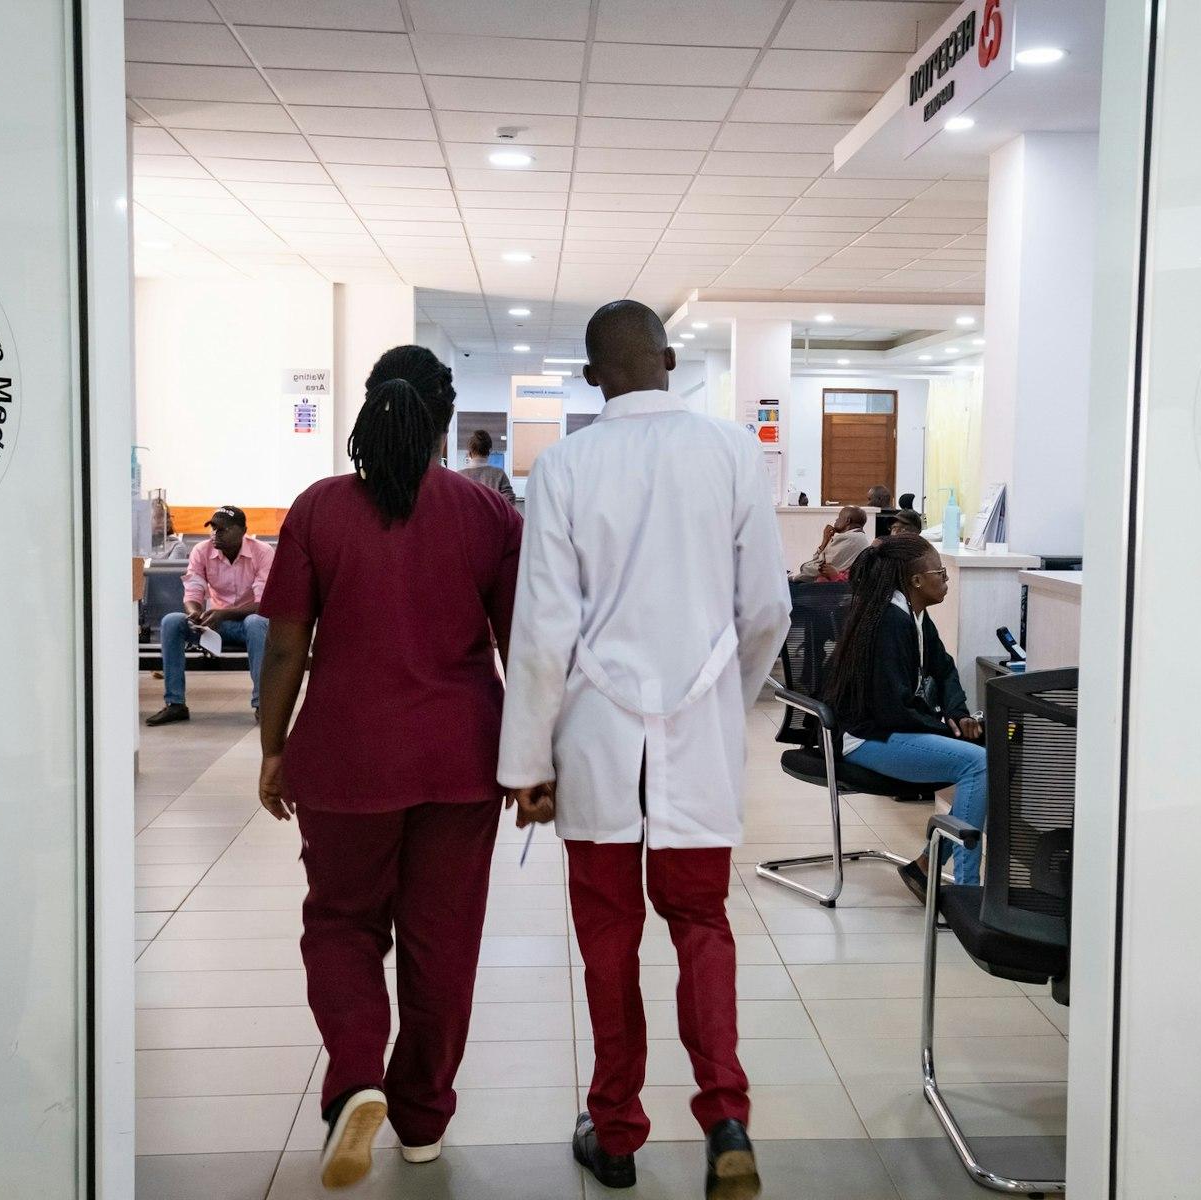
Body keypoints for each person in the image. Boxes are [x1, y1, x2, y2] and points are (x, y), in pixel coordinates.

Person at [499, 300, 790, 1200]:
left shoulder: (566, 466)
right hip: (696, 740)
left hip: (595, 743)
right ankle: (727, 1117)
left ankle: (617, 1130)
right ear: (669, 359)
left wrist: (528, 763)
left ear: (593, 378)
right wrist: (722, 703)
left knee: (607, 939)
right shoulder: (735, 452)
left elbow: (544, 629)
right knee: (703, 926)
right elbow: (767, 611)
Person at [254, 345, 522, 1190]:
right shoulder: (487, 516)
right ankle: (421, 1123)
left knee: (342, 923)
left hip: (346, 758)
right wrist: (534, 758)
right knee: (444, 943)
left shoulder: (319, 510)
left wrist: (271, 747)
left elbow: (289, 642)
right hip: (463, 759)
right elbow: (524, 648)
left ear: (369, 406)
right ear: (447, 421)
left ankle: (356, 1080)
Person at [824, 535, 986, 901]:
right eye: (940, 573)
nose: (946, 580)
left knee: (985, 757)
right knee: (979, 764)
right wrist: (944, 726)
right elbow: (891, 709)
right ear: (916, 581)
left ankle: (927, 866)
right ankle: (967, 893)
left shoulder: (914, 614)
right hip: (867, 738)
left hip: (893, 728)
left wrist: (957, 714)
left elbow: (943, 669)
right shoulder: (888, 621)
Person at [147, 505, 273, 726]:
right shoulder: (201, 551)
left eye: (223, 529)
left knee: (257, 622)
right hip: (215, 625)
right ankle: (175, 704)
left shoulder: (262, 552)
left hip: (247, 624)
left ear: (242, 531)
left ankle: (263, 705)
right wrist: (195, 613)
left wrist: (223, 614)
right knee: (172, 621)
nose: (215, 533)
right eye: (213, 528)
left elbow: (263, 603)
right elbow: (193, 590)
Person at [790, 505, 869, 582]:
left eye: (839, 517)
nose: (836, 520)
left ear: (847, 521)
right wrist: (825, 541)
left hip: (833, 587)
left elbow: (822, 568)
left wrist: (804, 567)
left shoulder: (849, 538)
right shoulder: (859, 537)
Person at [457, 428, 517, 503]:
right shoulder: (499, 474)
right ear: (490, 451)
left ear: (469, 453)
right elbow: (510, 503)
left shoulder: (459, 476)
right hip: (494, 514)